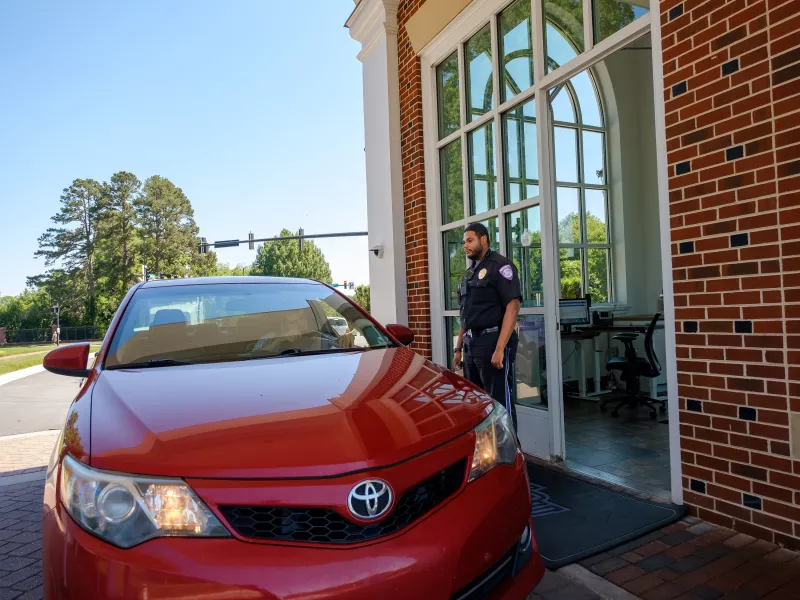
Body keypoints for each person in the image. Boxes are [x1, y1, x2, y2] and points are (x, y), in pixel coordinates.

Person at [454, 223, 522, 430]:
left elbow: (513, 307)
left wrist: (500, 348)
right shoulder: (470, 273)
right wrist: (458, 349)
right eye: (464, 241)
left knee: (500, 403)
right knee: (476, 405)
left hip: (492, 342)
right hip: (471, 345)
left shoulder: (500, 266)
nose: (465, 245)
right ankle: (487, 454)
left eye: (470, 240)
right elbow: (466, 315)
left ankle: (510, 453)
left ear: (483, 239)